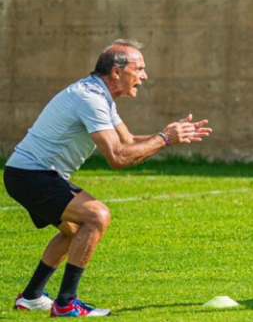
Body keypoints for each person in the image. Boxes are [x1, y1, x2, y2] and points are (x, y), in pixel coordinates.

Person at [3, 39, 213, 316]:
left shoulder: (100, 96)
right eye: (139, 69)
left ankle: (31, 297)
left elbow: (126, 141)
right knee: (97, 216)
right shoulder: (90, 98)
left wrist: (170, 137)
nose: (144, 76)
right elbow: (118, 157)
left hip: (33, 174)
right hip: (31, 175)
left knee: (77, 232)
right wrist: (164, 139)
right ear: (116, 71)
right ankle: (66, 303)